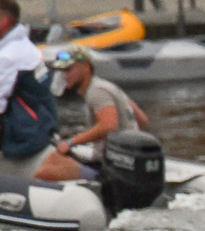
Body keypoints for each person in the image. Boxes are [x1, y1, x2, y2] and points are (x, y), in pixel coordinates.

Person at [35, 45, 148, 181]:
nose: (64, 76)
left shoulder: (96, 91)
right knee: (54, 158)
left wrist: (71, 142)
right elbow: (142, 120)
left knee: (45, 173)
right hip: (126, 160)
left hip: (111, 169)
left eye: (68, 70)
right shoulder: (108, 86)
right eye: (61, 71)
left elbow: (109, 126)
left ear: (86, 67)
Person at [0, 0, 57, 173]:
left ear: (4, 21)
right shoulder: (19, 44)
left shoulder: (9, 55)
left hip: (28, 124)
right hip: (37, 115)